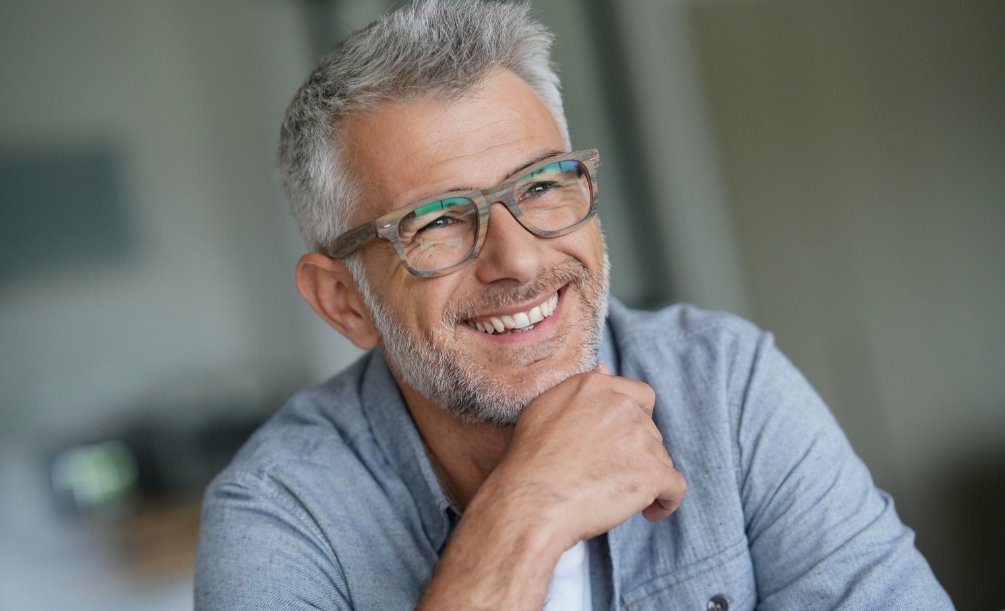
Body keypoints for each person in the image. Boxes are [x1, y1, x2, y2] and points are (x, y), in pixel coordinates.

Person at [194, 1, 951, 608]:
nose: (520, 258)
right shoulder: (278, 513)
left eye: (540, 186)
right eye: (436, 221)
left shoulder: (724, 384)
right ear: (342, 301)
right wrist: (522, 513)